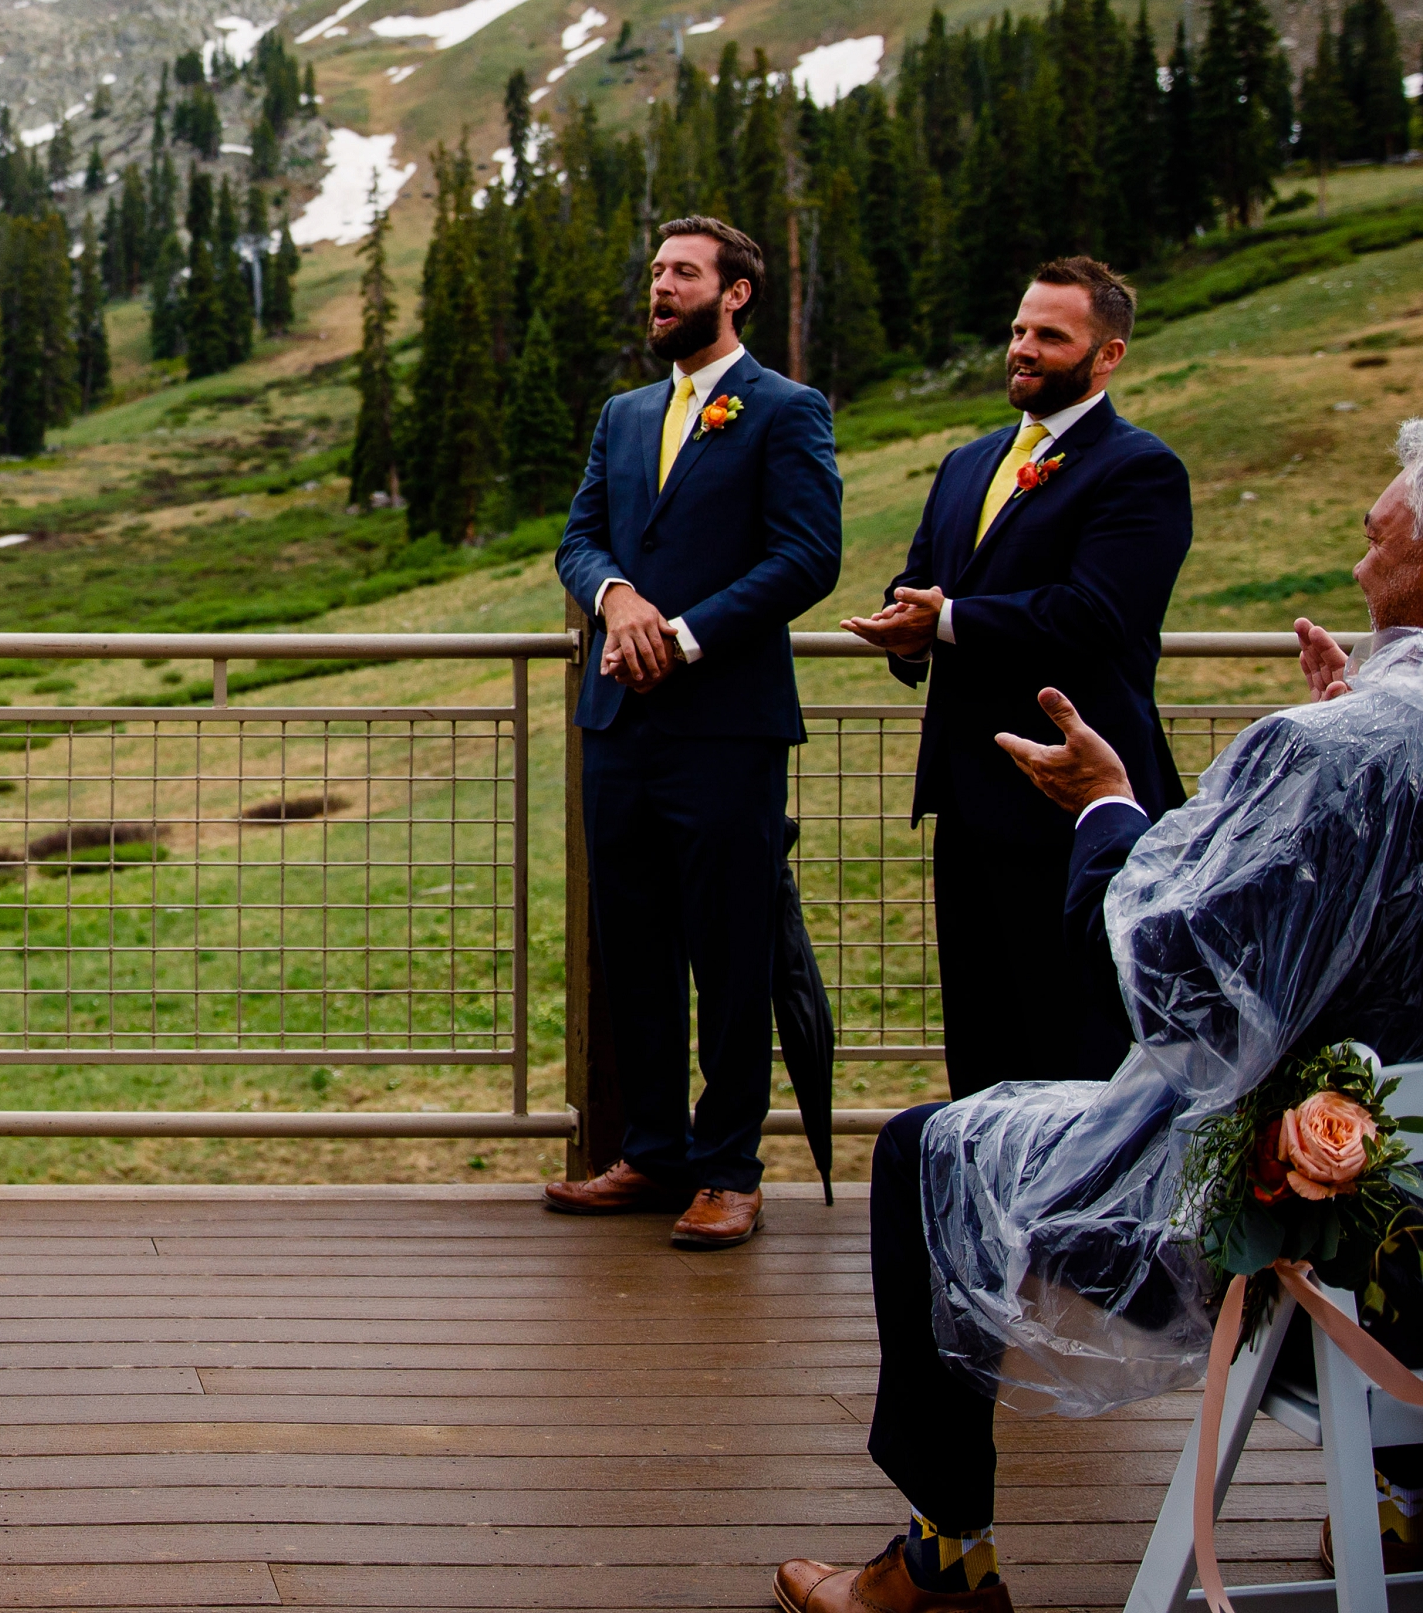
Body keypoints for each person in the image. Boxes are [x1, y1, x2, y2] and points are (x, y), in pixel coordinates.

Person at [776, 429, 1423, 1613]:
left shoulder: (1327, 751)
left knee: (922, 1147)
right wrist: (1344, 732)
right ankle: (1400, 1500)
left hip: (1296, 1213)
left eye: (1374, 537)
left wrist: (1107, 807)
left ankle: (941, 1558)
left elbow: (1171, 980)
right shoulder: (1355, 738)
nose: (1353, 566)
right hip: (1416, 1221)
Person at [544, 216, 842, 1250]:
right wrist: (615, 595)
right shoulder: (623, 414)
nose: (658, 287)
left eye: (681, 272)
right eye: (656, 272)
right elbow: (577, 538)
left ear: (735, 292)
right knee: (632, 947)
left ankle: (727, 1168)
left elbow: (808, 556)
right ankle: (650, 1151)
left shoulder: (784, 410)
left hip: (724, 726)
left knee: (728, 951)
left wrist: (682, 632)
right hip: (617, 724)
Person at [841, 256, 1192, 1094]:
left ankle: (1075, 1223)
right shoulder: (967, 461)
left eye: (1049, 335)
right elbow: (922, 579)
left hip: (1073, 800)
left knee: (1072, 1037)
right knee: (982, 1031)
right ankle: (978, 1217)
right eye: (1018, 330)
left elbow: (1098, 614)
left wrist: (950, 621)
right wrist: (906, 636)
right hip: (966, 797)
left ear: (1106, 356)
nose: (1022, 348)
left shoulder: (1140, 469)